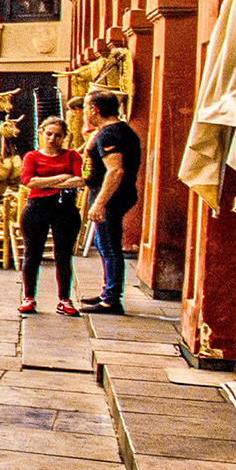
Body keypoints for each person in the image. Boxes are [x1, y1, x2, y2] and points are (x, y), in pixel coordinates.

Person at [19, 114, 88, 316]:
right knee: (32, 253)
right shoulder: (32, 156)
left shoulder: (72, 156)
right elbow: (28, 182)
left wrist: (44, 181)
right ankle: (29, 297)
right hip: (37, 206)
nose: (52, 139)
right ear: (41, 134)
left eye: (57, 135)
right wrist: (60, 178)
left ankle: (64, 299)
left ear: (64, 136)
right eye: (48, 134)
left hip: (64, 208)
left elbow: (78, 181)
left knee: (63, 255)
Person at [83, 91, 142, 315]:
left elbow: (115, 170)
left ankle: (111, 299)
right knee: (104, 244)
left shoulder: (110, 135)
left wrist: (99, 203)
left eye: (87, 108)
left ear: (94, 110)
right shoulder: (121, 131)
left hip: (112, 198)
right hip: (119, 196)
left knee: (109, 247)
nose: (85, 113)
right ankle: (108, 291)